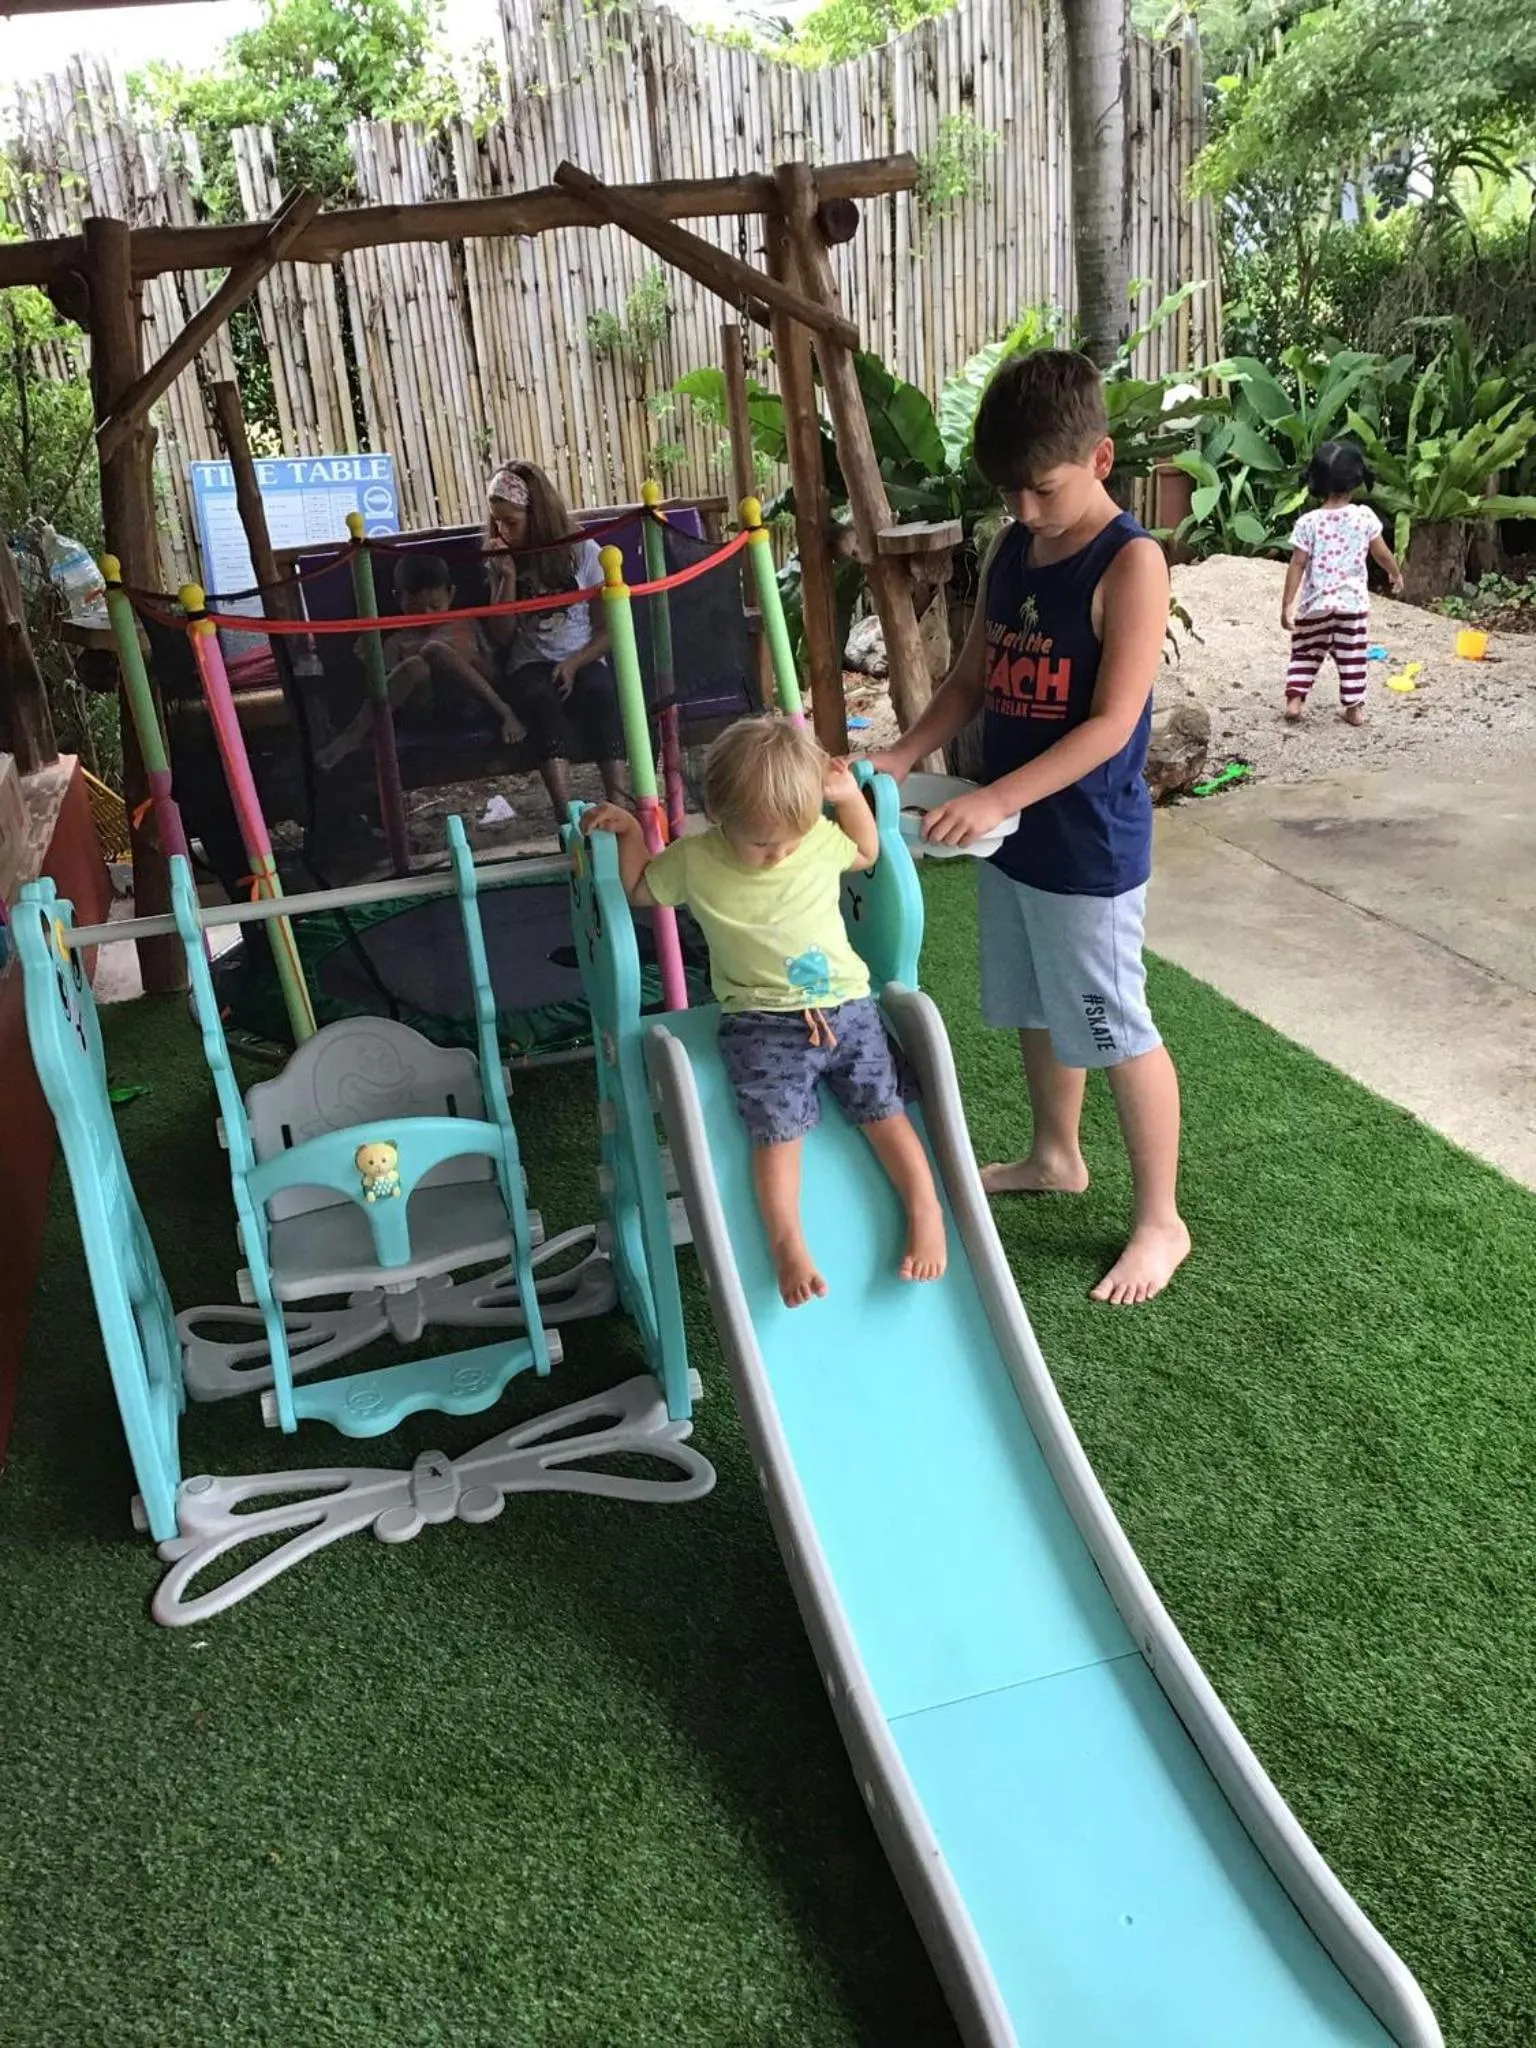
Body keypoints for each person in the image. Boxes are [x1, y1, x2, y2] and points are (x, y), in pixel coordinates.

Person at [871, 348, 1189, 1307]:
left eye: (1042, 489)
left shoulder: (1130, 562)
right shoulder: (1013, 547)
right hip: (1010, 840)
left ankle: (1161, 1220)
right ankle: (1056, 1155)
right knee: (1038, 1006)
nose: (1024, 509)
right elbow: (972, 677)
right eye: (1009, 492)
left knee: (1114, 1024)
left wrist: (999, 796)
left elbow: (1112, 723)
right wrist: (904, 754)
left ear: (1101, 458)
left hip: (1086, 847)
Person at [583, 718, 947, 1308]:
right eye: (759, 843)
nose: (777, 853)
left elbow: (866, 851)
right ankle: (787, 1243)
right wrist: (628, 833)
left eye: (788, 840)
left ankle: (925, 1208)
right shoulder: (695, 858)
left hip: (849, 1008)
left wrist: (847, 798)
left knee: (885, 1111)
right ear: (717, 815)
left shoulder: (818, 838)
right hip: (761, 1025)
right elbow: (642, 889)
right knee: (776, 1135)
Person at [482, 460, 628, 824]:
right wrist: (506, 579)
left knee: (601, 693)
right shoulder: (501, 559)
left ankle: (620, 808)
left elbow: (610, 630)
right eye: (497, 523)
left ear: (537, 515)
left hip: (583, 656)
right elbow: (501, 636)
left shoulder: (584, 551)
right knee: (541, 699)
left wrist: (575, 663)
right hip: (528, 663)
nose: (504, 532)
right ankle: (567, 819)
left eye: (512, 522)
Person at [315, 552, 521, 770]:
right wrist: (370, 660)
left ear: (451, 594)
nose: (426, 614)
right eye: (415, 608)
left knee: (435, 649)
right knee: (416, 664)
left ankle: (505, 712)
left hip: (471, 706)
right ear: (398, 599)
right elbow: (388, 689)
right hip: (423, 712)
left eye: (435, 606)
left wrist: (467, 658)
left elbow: (494, 674)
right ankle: (350, 736)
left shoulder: (467, 624)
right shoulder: (398, 640)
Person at [1280, 440, 1404, 725]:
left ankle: (1295, 701)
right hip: (1352, 605)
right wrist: (1395, 574)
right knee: (1352, 658)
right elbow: (1382, 553)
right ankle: (1354, 709)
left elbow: (1297, 564)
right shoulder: (1364, 517)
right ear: (1356, 479)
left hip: (1316, 605)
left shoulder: (1308, 522)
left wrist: (1287, 605)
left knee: (1305, 653)